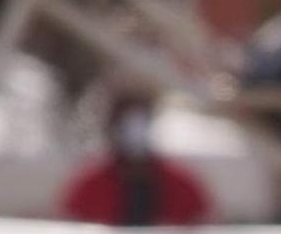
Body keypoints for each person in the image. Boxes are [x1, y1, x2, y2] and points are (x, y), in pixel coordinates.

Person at [62, 88, 209, 226]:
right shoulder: (92, 185)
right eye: (126, 126)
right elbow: (75, 226)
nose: (134, 134)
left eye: (140, 124)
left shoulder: (179, 182)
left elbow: (199, 223)